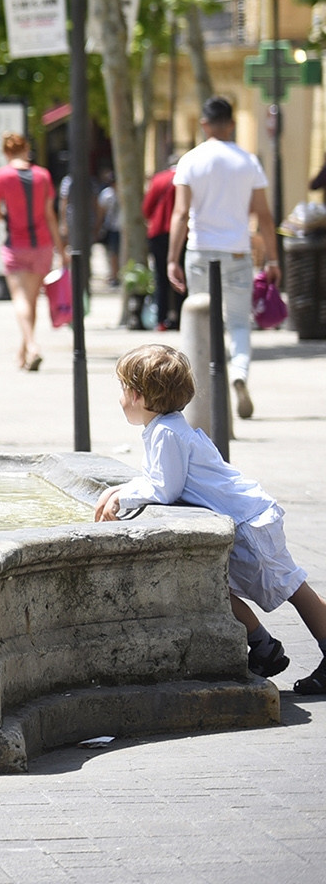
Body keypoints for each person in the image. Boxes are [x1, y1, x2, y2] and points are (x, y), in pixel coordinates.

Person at [94, 343, 326, 693]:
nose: (120, 398)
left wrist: (121, 497)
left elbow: (165, 489)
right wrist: (117, 491)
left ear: (139, 396)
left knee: (293, 587)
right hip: (242, 520)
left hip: (250, 521)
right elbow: (160, 478)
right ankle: (264, 647)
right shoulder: (165, 428)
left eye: (123, 389)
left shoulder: (167, 433)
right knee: (214, 588)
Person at [168, 97, 281, 420]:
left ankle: (201, 396)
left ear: (204, 124)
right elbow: (264, 216)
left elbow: (179, 213)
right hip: (237, 251)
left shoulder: (190, 160)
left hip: (201, 250)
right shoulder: (248, 162)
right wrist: (272, 260)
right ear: (231, 124)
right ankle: (238, 372)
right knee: (238, 323)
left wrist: (172, 258)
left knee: (200, 323)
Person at [0, 132, 61, 371]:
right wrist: (61, 248)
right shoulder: (43, 175)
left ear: (6, 152)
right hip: (42, 245)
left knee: (20, 299)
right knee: (31, 301)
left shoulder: (1, 176)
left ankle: (32, 345)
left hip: (15, 245)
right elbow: (50, 215)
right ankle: (25, 353)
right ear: (26, 149)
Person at [143, 157, 184, 331]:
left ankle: (161, 320)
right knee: (182, 278)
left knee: (161, 277)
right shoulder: (186, 179)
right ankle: (181, 319)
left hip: (159, 232)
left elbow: (146, 209)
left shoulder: (159, 179)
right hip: (183, 234)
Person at [97, 171, 121, 288]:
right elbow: (101, 212)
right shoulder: (107, 195)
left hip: (123, 227)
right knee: (112, 253)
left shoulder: (125, 194)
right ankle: (114, 275)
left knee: (120, 252)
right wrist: (98, 227)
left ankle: (119, 274)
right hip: (111, 227)